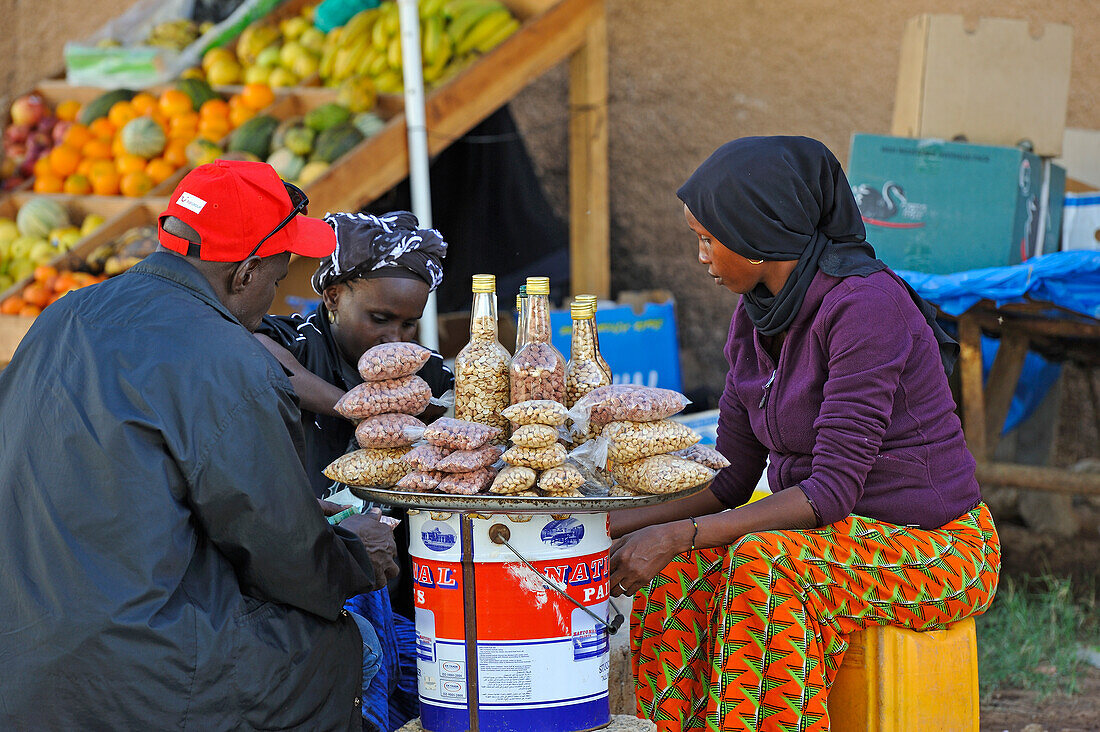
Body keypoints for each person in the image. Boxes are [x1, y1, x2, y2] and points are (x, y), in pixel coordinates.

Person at [608, 137, 1001, 731]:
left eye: (710, 239)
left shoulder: (866, 307)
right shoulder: (754, 316)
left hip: (933, 546)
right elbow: (732, 480)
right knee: (682, 571)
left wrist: (679, 533)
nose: (701, 258)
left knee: (767, 565)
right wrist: (606, 524)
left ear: (760, 235)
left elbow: (830, 492)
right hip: (832, 537)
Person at [0, 160, 399, 730]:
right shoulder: (229, 359)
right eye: (278, 276)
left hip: (21, 657)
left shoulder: (63, 317)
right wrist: (355, 549)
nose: (275, 295)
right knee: (352, 644)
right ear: (245, 274)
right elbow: (292, 567)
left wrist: (294, 513)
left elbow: (125, 484)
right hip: (139, 672)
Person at [255, 210, 452, 731]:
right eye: (380, 318)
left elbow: (467, 410)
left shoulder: (421, 371)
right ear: (335, 296)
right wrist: (347, 404)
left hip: (396, 587)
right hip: (312, 582)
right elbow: (238, 343)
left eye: (410, 324)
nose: (395, 338)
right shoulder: (294, 341)